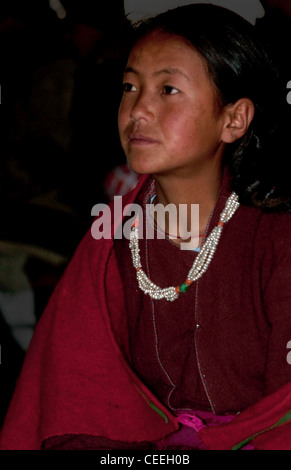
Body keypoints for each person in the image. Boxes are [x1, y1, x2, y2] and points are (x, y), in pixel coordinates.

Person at [1, 3, 291, 450]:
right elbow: (73, 398)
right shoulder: (115, 238)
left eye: (168, 89)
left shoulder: (275, 238)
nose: (138, 110)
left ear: (233, 119)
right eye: (130, 86)